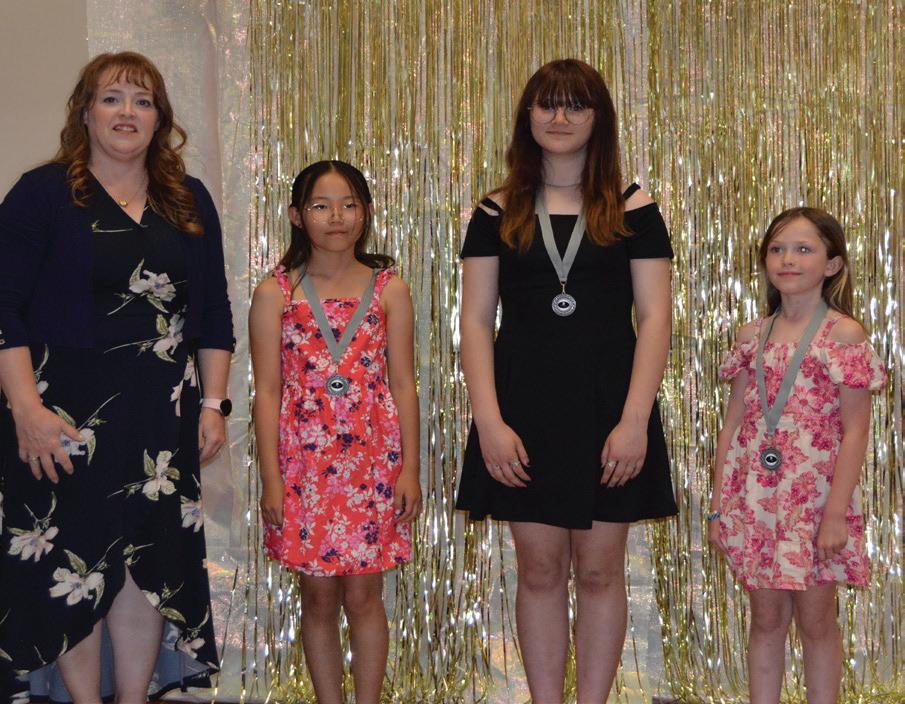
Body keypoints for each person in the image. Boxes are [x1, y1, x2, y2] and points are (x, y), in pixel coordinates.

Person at [0, 51, 234, 703]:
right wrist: (25, 409)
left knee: (145, 569)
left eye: (142, 100)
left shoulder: (188, 199)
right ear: (85, 112)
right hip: (59, 418)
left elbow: (213, 311)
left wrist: (213, 404)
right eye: (111, 98)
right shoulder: (41, 193)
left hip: (160, 417)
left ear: (160, 118)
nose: (127, 112)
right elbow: (3, 307)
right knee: (73, 564)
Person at [455, 59, 677, 703]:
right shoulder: (494, 210)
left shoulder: (635, 207)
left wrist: (635, 420)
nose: (559, 117)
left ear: (598, 118)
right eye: (546, 104)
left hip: (611, 410)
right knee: (540, 570)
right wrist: (490, 422)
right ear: (526, 116)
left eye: (576, 105)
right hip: (522, 412)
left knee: (602, 572)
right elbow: (475, 322)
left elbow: (656, 318)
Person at [250, 160, 421, 704]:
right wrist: (272, 480)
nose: (336, 217)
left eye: (348, 205)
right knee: (318, 600)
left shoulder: (390, 289)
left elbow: (403, 384)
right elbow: (267, 392)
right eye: (321, 206)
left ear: (366, 213)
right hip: (303, 469)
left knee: (365, 597)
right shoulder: (276, 293)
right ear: (297, 216)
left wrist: (410, 469)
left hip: (371, 466)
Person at [709, 207, 886, 704]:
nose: (788, 259)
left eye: (803, 249)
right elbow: (733, 425)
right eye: (777, 249)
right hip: (757, 502)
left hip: (815, 504)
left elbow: (856, 430)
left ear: (832, 264)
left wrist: (835, 514)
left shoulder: (843, 334)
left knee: (816, 621)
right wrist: (720, 508)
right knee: (765, 619)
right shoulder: (751, 336)